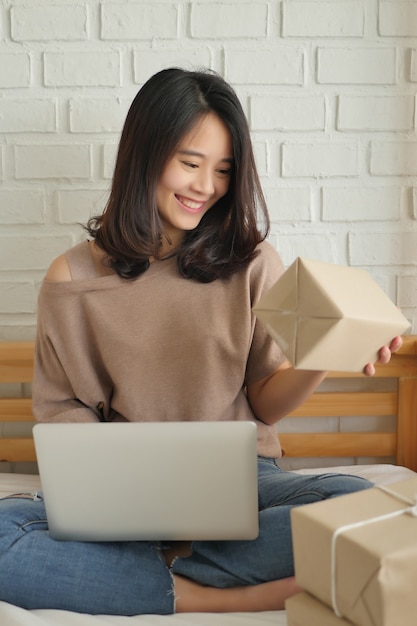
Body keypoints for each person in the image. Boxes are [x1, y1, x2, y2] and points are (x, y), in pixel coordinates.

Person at [0, 68, 402, 616]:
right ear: (145, 154)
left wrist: (321, 356)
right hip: (122, 488)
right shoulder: (70, 280)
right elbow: (63, 409)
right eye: (190, 163)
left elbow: (264, 400)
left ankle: (136, 574)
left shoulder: (252, 262)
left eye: (222, 171)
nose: (205, 187)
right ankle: (212, 592)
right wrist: (113, 491)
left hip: (241, 482)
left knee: (365, 506)